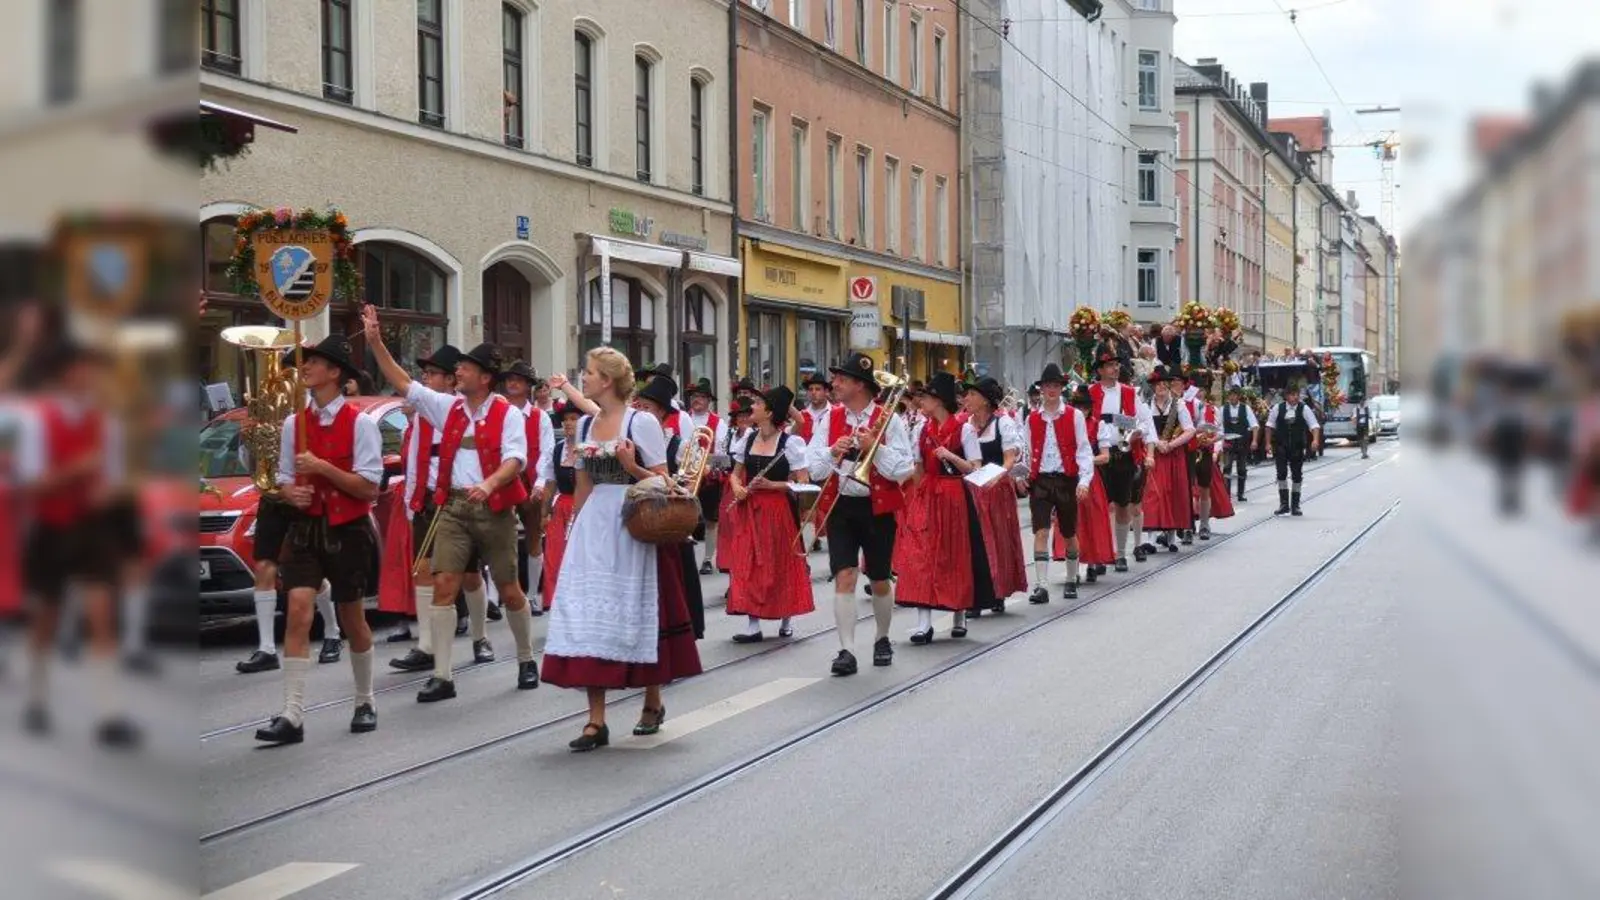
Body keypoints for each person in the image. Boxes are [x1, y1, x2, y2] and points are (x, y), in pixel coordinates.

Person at [363, 306, 542, 701]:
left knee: (510, 589)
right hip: (454, 508)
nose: (457, 371)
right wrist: (375, 342)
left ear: (485, 377)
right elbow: (403, 382)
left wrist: (489, 484)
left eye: (465, 367)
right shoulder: (449, 408)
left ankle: (526, 658)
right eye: (458, 367)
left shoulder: (507, 414)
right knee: (443, 584)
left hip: (494, 508)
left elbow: (516, 460)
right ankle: (443, 676)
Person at [542, 349, 702, 751]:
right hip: (595, 526)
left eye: (589, 372)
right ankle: (596, 720)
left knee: (637, 612)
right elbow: (583, 484)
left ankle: (652, 699)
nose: (584, 378)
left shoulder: (640, 421)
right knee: (589, 616)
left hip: (634, 520)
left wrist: (632, 468)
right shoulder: (584, 425)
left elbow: (665, 482)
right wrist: (573, 529)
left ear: (607, 380)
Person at [254, 336, 381, 745]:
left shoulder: (361, 424)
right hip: (306, 529)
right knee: (297, 609)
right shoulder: (295, 424)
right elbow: (284, 478)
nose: (304, 367)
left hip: (348, 531)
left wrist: (323, 468)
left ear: (334, 372)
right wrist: (290, 492)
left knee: (352, 619)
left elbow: (369, 488)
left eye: (314, 362)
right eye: (304, 362)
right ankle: (292, 714)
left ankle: (365, 699)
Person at [15, 341, 142, 747]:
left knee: (101, 614)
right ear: (66, 372)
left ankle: (109, 713)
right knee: (46, 616)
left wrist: (108, 492)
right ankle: (37, 696)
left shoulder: (107, 422)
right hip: (50, 526)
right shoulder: (37, 420)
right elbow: (32, 483)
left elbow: (116, 481)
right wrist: (78, 470)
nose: (90, 376)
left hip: (91, 527)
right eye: (83, 368)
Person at [384, 346, 493, 673]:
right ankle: (426, 646)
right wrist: (411, 501)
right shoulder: (420, 415)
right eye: (425, 374)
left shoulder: (463, 412)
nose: (426, 379)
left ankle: (480, 636)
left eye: (432, 374)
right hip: (428, 499)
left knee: (470, 575)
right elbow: (414, 459)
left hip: (458, 498)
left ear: (450, 381)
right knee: (423, 569)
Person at [806, 351, 914, 675]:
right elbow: (813, 467)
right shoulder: (830, 418)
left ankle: (882, 638)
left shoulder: (889, 418)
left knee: (879, 578)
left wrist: (874, 449)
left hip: (876, 506)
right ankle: (847, 650)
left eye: (841, 379)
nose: (835, 384)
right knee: (845, 575)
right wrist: (832, 451)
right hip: (841, 505)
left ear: (860, 385)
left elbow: (903, 469)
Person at [724, 385, 814, 641]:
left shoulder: (791, 443)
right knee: (748, 562)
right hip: (750, 508)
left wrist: (773, 485)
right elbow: (735, 473)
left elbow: (803, 481)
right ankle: (753, 623)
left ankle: (786, 618)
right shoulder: (748, 438)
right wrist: (737, 487)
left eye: (757, 404)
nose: (751, 407)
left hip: (777, 510)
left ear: (770, 412)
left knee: (779, 562)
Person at [893, 373, 973, 643]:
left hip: (953, 494)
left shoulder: (964, 428)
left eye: (925, 397)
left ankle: (959, 614)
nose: (921, 402)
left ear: (938, 400)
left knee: (953, 554)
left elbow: (974, 467)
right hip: (928, 494)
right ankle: (923, 623)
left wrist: (951, 456)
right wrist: (915, 496)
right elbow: (918, 468)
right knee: (920, 555)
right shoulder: (922, 429)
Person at [1017, 364, 1093, 603]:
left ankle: (1071, 579)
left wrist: (1084, 481)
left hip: (1066, 480)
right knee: (1041, 531)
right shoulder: (1032, 418)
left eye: (1056, 386)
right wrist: (1021, 475)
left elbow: (1084, 450)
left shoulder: (1074, 415)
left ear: (1061, 389)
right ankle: (1041, 586)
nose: (1051, 390)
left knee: (1069, 532)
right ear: (1041, 389)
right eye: (1048, 385)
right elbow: (1027, 450)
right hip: (1040, 480)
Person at [959, 377, 1028, 616]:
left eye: (972, 394)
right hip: (970, 489)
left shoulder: (1002, 423)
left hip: (995, 489)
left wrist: (996, 476)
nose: (966, 399)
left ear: (986, 400)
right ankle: (977, 596)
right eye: (966, 395)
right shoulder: (964, 424)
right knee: (973, 544)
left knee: (997, 541)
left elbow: (1009, 459)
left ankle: (997, 592)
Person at [1089, 346, 1156, 572]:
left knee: (1122, 505)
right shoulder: (1089, 392)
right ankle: (1099, 554)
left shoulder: (1129, 392)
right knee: (1099, 507)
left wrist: (1136, 432)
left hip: (1122, 454)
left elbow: (1145, 423)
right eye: (1110, 365)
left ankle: (1120, 553)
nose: (1115, 368)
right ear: (1100, 369)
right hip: (1098, 456)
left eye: (1116, 365)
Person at [499, 360, 556, 610]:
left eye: (518, 380)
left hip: (530, 482)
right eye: (510, 379)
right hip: (502, 481)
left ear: (528, 386)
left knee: (533, 537)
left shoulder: (539, 417)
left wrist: (541, 483)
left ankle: (532, 595)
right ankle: (495, 597)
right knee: (497, 539)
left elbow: (547, 452)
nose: (512, 383)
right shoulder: (498, 412)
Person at [1055, 384, 1114, 582]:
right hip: (1069, 475)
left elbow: (1105, 457)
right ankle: (1074, 566)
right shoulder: (1065, 424)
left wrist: (1085, 461)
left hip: (1090, 479)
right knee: (1070, 519)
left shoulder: (1098, 425)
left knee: (1091, 520)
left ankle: (1091, 562)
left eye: (1085, 407)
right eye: (1078, 406)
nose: (1082, 410)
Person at [1140, 366, 1196, 549]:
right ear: (1153, 387)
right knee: (1153, 494)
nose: (1161, 387)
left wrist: (1171, 444)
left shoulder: (1178, 404)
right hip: (1153, 453)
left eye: (1164, 384)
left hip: (1174, 454)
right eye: (1158, 384)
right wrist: (1157, 443)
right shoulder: (1146, 406)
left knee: (1173, 493)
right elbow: (1142, 429)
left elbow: (1190, 430)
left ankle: (1171, 537)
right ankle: (1150, 538)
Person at [541, 403, 584, 605]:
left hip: (584, 506)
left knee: (580, 557)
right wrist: (544, 513)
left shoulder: (592, 448)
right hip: (562, 507)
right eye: (566, 419)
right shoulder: (558, 449)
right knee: (554, 556)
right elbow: (550, 482)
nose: (568, 423)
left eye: (573, 419)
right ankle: (556, 603)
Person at [684, 377, 728, 574]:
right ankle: (686, 559)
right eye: (694, 396)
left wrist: (705, 466)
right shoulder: (683, 418)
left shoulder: (719, 423)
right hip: (686, 476)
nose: (697, 400)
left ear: (709, 400)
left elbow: (722, 455)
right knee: (684, 518)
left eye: (701, 396)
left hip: (709, 477)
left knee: (711, 519)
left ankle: (708, 559)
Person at [1265, 381, 1321, 516]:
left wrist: (1315, 440)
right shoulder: (1277, 408)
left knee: (1297, 475)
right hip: (1281, 445)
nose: (1295, 397)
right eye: (1292, 395)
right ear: (1286, 396)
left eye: (1297, 395)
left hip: (1297, 446)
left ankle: (1295, 505)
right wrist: (1267, 443)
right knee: (1281, 473)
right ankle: (1284, 504)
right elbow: (1269, 426)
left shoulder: (1304, 408)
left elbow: (1314, 426)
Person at [1189, 387, 1237, 539]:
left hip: (1204, 452)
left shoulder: (1213, 410)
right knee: (1187, 490)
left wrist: (1213, 445)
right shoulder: (1184, 406)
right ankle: (1188, 526)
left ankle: (1204, 524)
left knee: (1204, 489)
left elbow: (1220, 432)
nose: (1199, 393)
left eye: (1201, 390)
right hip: (1187, 451)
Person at [1220, 384, 1259, 502]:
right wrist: (1220, 442)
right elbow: (1219, 426)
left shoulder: (1246, 408)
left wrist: (1254, 441)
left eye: (1235, 395)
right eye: (1231, 395)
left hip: (1242, 441)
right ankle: (1226, 494)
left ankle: (1240, 494)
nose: (1232, 397)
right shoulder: (1223, 409)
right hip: (1228, 442)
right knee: (1227, 467)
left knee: (1241, 468)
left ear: (1239, 396)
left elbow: (1254, 425)